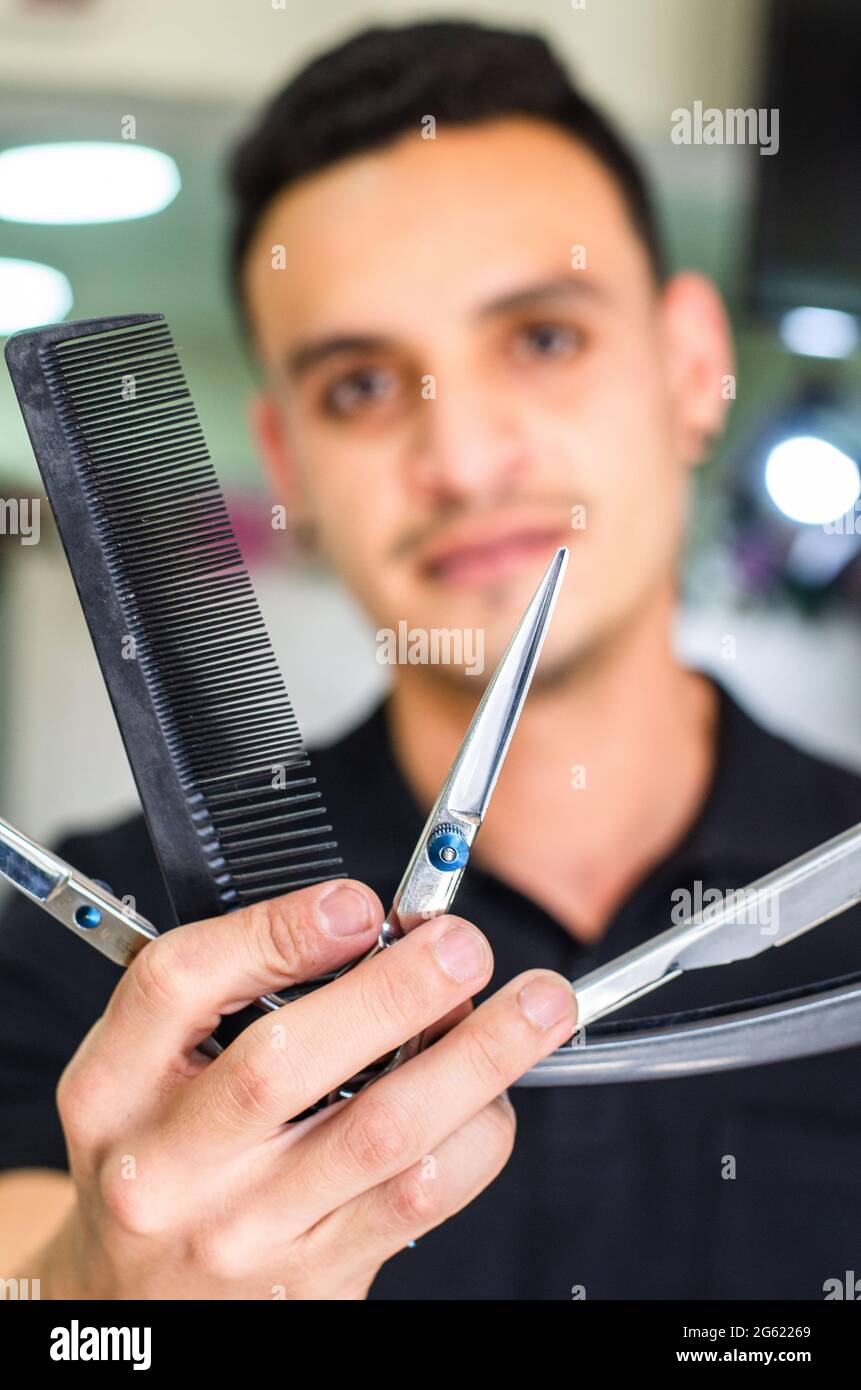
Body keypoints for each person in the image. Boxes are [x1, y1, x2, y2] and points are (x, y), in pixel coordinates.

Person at [1, 20, 859, 1301]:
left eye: (543, 339)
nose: (458, 458)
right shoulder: (81, 960)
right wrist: (95, 1303)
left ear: (694, 366)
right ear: (287, 462)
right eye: (358, 385)